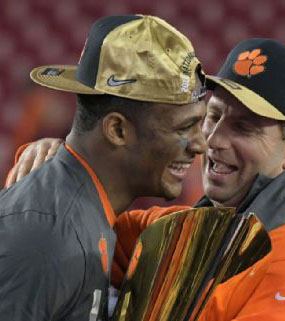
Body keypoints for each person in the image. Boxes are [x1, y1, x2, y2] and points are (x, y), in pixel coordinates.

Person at [8, 39, 285, 320]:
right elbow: (76, 227)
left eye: (244, 127)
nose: (213, 139)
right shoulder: (179, 228)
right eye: (213, 116)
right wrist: (65, 162)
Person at [0, 15, 207, 321]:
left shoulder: (84, 210)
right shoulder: (49, 234)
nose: (199, 144)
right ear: (118, 131)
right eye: (184, 128)